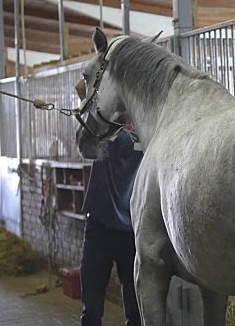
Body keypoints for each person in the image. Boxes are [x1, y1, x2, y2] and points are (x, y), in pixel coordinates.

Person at [80, 129, 143, 326]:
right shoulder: (104, 125)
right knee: (91, 307)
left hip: (133, 230)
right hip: (100, 226)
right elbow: (84, 147)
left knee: (135, 309)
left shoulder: (145, 129)